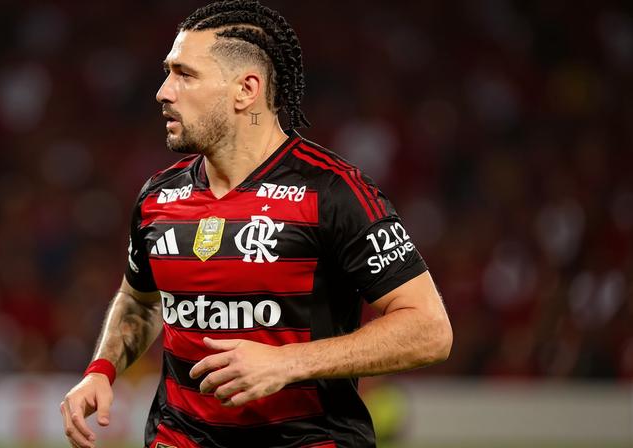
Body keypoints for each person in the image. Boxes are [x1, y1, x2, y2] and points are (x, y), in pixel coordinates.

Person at [61, 1, 452, 447]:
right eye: (168, 72)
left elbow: (429, 329)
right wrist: (102, 369)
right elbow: (140, 301)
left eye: (185, 75)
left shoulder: (331, 191)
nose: (164, 91)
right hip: (179, 437)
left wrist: (287, 363)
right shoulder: (157, 197)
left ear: (246, 90)